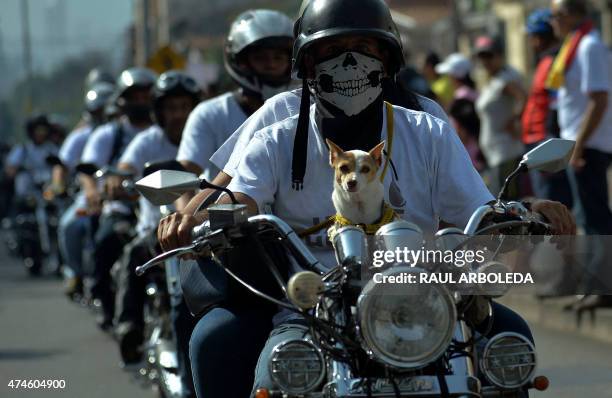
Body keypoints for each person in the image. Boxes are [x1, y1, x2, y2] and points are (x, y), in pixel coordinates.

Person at [160, 1, 573, 397]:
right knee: (265, 368)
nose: (350, 64)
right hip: (311, 311)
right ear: (307, 64)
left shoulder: (427, 130)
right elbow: (240, 195)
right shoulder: (277, 133)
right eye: (334, 51)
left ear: (388, 61)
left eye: (364, 49)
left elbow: (476, 208)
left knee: (510, 345)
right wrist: (199, 220)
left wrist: (524, 211)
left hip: (420, 303)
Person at [111, 71, 200, 387]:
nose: (178, 114)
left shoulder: (201, 136)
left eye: (184, 106)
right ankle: (128, 328)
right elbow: (124, 168)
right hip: (156, 230)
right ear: (159, 113)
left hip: (197, 230)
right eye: (171, 108)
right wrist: (115, 182)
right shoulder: (147, 141)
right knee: (131, 254)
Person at [176, 9, 294, 184]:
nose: (271, 65)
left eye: (279, 57)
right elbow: (185, 175)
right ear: (241, 63)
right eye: (261, 58)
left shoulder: (304, 109)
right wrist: (186, 212)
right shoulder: (210, 114)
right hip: (222, 209)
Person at [79, 66, 157, 329]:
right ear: (121, 100)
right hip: (123, 208)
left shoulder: (167, 130)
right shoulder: (108, 134)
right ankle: (107, 304)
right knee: (105, 244)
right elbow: (90, 169)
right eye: (134, 96)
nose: (141, 102)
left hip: (162, 208)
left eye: (146, 95)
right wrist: (96, 191)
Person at [548, 0, 612, 309]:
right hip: (578, 144)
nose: (553, 22)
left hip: (587, 146)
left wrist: (580, 146)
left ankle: (603, 289)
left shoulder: (589, 46)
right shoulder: (575, 45)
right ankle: (595, 287)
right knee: (587, 216)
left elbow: (599, 99)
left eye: (556, 15)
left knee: (595, 217)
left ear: (574, 15)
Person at [54, 81, 115, 297]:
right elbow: (64, 165)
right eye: (98, 111)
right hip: (89, 199)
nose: (103, 115)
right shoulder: (81, 136)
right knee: (68, 225)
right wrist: (59, 186)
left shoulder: (123, 131)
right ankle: (75, 273)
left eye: (107, 109)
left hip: (123, 198)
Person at [522, 9, 573, 208]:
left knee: (552, 206)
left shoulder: (553, 62)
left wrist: (550, 143)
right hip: (535, 140)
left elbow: (555, 105)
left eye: (533, 36)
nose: (531, 42)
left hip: (543, 140)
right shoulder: (545, 60)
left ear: (540, 36)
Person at [474, 35, 527, 199]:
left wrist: (514, 120)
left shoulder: (505, 78)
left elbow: (523, 97)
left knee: (507, 205)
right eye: (481, 56)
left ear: (500, 56)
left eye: (489, 56)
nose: (485, 61)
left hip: (505, 152)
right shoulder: (494, 80)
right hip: (495, 154)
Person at [5, 115, 58, 200]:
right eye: (38, 130)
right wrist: (19, 170)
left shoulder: (52, 149)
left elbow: (61, 165)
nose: (41, 133)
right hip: (28, 193)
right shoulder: (23, 149)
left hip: (47, 190)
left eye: (44, 130)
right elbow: (11, 168)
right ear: (32, 131)